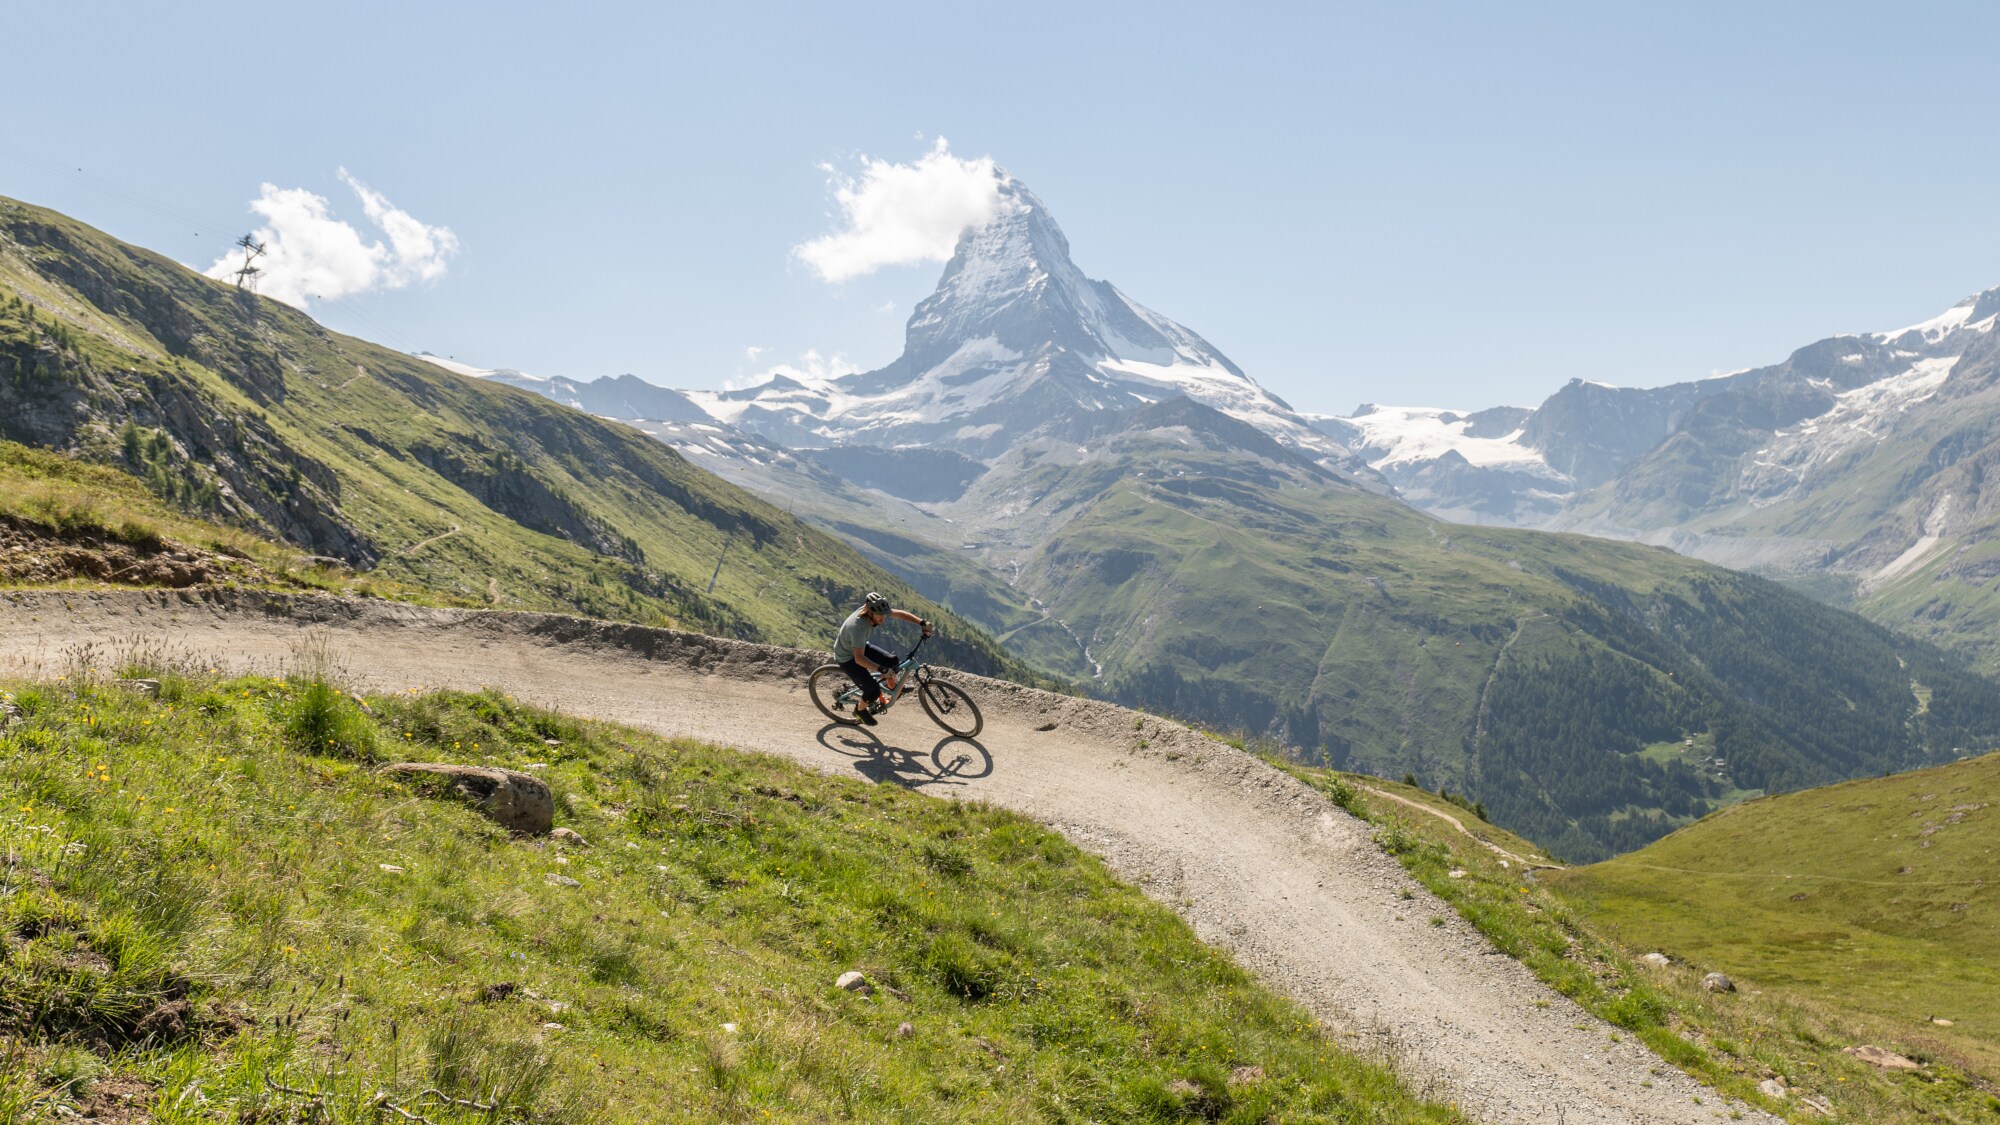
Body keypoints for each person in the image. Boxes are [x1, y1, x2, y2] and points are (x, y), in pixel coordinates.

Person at [833, 592, 932, 725]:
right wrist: (881, 669)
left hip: (859, 647)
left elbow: (900, 614)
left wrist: (922, 622)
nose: (882, 619)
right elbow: (859, 659)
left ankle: (893, 688)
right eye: (879, 616)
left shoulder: (877, 610)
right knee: (873, 691)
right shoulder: (857, 627)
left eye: (884, 615)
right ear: (869, 612)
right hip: (847, 657)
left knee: (892, 661)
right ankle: (859, 710)